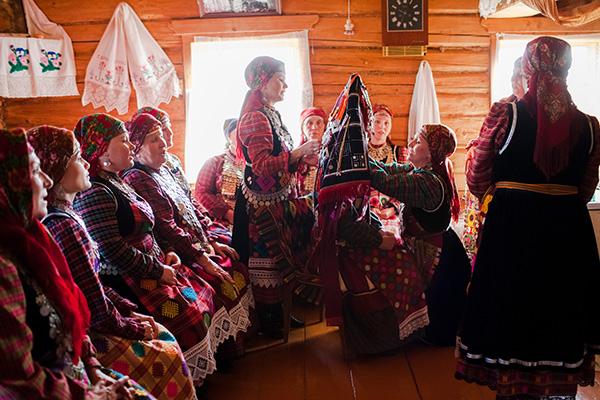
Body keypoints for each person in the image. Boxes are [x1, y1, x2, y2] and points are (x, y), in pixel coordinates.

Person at [456, 36, 600, 399]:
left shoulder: (506, 115)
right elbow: (586, 187)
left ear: (529, 68)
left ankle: (514, 385)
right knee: (560, 303)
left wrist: (506, 193)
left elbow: (477, 176)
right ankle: (557, 387)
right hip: (569, 229)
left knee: (512, 302)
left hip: (513, 227)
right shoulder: (590, 126)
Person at [28, 125, 196, 400]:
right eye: (77, 158)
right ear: (57, 169)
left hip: (103, 310)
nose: (86, 163)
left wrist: (128, 310)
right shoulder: (65, 224)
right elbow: (92, 301)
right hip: (95, 323)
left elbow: (87, 287)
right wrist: (132, 323)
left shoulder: (74, 211)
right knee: (167, 349)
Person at [71, 113, 225, 386]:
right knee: (188, 316)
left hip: (153, 264)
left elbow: (151, 224)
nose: (131, 145)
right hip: (126, 278)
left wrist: (167, 250)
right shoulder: (94, 192)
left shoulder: (118, 181)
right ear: (103, 151)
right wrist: (158, 270)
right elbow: (112, 250)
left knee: (204, 293)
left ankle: (201, 375)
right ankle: (188, 381)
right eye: (123, 141)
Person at [0, 127, 152, 400]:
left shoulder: (34, 238)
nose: (47, 180)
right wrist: (93, 395)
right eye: (34, 171)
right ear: (8, 183)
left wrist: (93, 369)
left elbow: (71, 304)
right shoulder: (5, 267)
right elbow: (20, 381)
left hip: (77, 371)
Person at [122, 113, 254, 362]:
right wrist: (202, 258)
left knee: (235, 260)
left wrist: (210, 241)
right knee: (221, 282)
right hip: (175, 252)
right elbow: (167, 228)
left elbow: (191, 206)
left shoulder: (162, 170)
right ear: (136, 148)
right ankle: (221, 357)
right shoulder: (137, 177)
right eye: (154, 139)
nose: (164, 143)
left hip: (193, 244)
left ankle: (234, 345)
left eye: (161, 136)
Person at [231, 56, 321, 339]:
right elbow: (260, 166)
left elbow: (282, 159)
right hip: (260, 205)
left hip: (276, 200)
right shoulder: (255, 117)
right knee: (264, 259)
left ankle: (279, 310)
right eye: (280, 79)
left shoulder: (272, 114)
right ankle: (265, 318)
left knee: (278, 256)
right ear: (262, 82)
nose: (285, 85)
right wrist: (298, 153)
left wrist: (301, 159)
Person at [370, 124, 471, 347]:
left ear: (431, 153)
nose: (410, 144)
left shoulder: (428, 182)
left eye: (417, 142)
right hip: (429, 245)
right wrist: (361, 158)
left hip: (439, 254)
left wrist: (358, 163)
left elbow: (385, 182)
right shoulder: (418, 170)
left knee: (436, 302)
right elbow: (386, 169)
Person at [368, 104, 409, 238]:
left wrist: (393, 208)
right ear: (369, 124)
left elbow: (406, 186)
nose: (382, 127)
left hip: (392, 213)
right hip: (366, 211)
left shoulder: (399, 152)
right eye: (377, 122)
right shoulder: (361, 153)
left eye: (386, 123)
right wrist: (369, 209)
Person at [194, 118, 243, 229]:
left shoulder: (256, 164)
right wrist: (228, 214)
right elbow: (201, 193)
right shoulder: (214, 162)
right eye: (238, 133)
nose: (242, 137)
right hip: (222, 222)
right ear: (229, 137)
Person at [296, 107, 327, 196]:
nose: (314, 127)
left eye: (319, 123)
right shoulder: (295, 155)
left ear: (324, 127)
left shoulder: (331, 153)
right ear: (302, 128)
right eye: (309, 123)